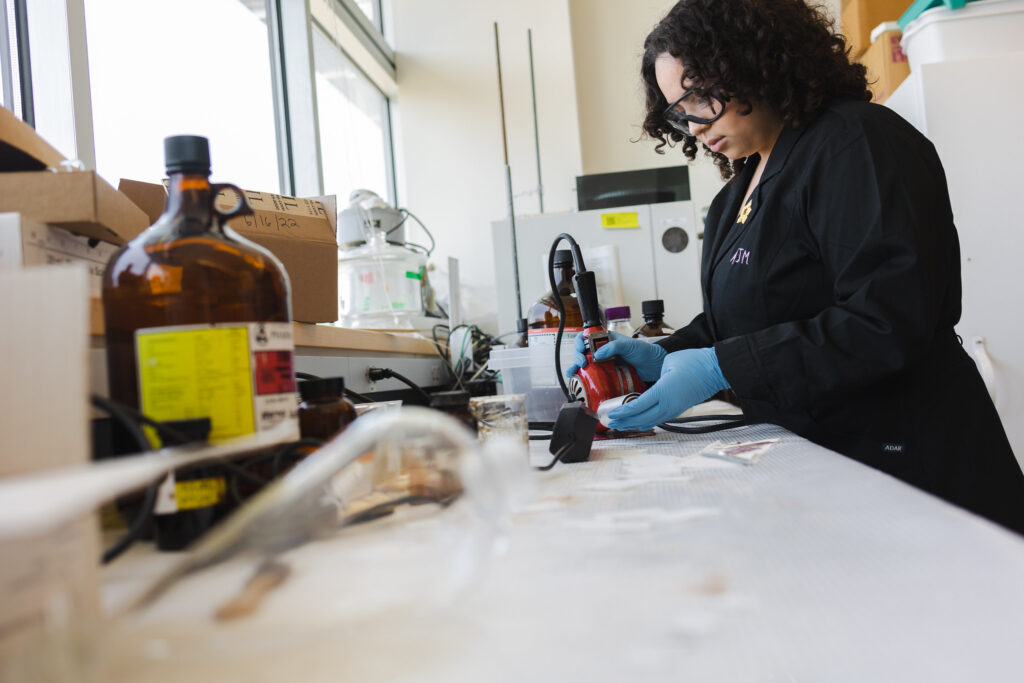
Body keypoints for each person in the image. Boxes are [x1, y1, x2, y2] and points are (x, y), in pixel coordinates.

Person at [568, 0, 1024, 533]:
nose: (691, 124)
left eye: (698, 97)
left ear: (751, 64)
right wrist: (660, 356)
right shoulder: (734, 195)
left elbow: (889, 319)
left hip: (910, 461)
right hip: (822, 459)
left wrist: (721, 367)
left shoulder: (856, 143)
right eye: (678, 110)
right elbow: (733, 327)